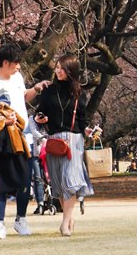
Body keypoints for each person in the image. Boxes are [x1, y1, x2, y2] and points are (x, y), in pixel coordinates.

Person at [0, 43, 50, 240]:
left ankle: (21, 219)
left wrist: (36, 88)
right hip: (0, 142)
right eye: (16, 63)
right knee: (1, 182)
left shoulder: (17, 78)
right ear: (6, 63)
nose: (19, 67)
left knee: (25, 181)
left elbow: (23, 96)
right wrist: (2, 121)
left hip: (23, 138)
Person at [35, 55, 94, 236]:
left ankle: (65, 223)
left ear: (71, 70)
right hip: (54, 141)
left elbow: (83, 118)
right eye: (57, 67)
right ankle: (69, 219)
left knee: (70, 180)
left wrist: (87, 131)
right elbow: (40, 111)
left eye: (62, 68)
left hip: (74, 140)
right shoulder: (48, 91)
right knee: (59, 183)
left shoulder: (79, 93)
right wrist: (40, 117)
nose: (58, 71)